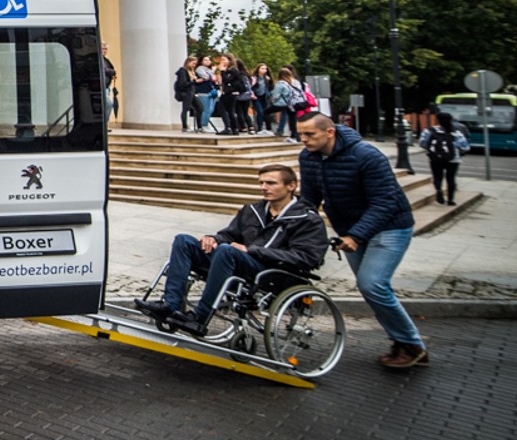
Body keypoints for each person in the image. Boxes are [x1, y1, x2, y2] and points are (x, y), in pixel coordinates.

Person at [298, 112, 427, 369]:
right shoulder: (309, 157)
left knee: (372, 284)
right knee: (372, 288)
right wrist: (289, 223)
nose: (303, 139)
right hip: (350, 229)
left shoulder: (366, 155)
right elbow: (310, 199)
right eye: (300, 134)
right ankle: (402, 341)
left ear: (330, 132)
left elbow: (385, 201)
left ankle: (412, 345)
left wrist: (356, 235)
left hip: (390, 227)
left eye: (309, 134)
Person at [134, 163, 327, 334]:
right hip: (237, 261)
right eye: (261, 183)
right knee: (184, 241)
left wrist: (251, 250)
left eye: (270, 183)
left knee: (227, 251)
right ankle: (170, 305)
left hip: (272, 271)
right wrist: (214, 238)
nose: (264, 188)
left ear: (291, 186)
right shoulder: (252, 210)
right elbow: (229, 235)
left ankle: (199, 318)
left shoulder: (307, 219)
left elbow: (307, 258)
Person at [418, 112, 468, 206]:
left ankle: (438, 190)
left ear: (437, 120)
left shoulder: (429, 131)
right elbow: (465, 147)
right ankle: (450, 199)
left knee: (437, 176)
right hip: (453, 159)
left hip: (435, 158)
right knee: (451, 178)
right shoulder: (456, 132)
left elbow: (422, 143)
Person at [270, 67, 304, 140]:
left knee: (289, 118)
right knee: (294, 118)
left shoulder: (281, 83)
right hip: (296, 102)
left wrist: (273, 100)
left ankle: (292, 133)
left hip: (286, 103)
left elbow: (276, 95)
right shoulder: (296, 82)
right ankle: (296, 134)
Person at [193, 57, 219, 133]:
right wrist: (212, 72)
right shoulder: (200, 69)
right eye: (205, 60)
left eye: (209, 60)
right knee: (205, 109)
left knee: (210, 109)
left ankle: (206, 124)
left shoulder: (209, 70)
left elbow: (214, 79)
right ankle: (203, 125)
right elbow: (206, 77)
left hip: (210, 91)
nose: (208, 61)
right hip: (203, 91)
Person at [174, 56, 199, 131]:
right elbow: (183, 83)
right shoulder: (183, 71)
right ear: (188, 62)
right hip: (186, 92)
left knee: (200, 108)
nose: (194, 65)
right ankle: (184, 126)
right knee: (185, 109)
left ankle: (199, 126)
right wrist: (193, 81)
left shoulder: (192, 71)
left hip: (192, 92)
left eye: (195, 64)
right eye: (193, 63)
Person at [102, 42, 118, 124]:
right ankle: (104, 124)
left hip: (107, 87)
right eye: (103, 49)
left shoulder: (106, 60)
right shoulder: (100, 60)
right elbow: (104, 69)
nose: (105, 51)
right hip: (102, 87)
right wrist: (112, 72)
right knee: (108, 103)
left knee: (107, 105)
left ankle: (104, 124)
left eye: (106, 49)